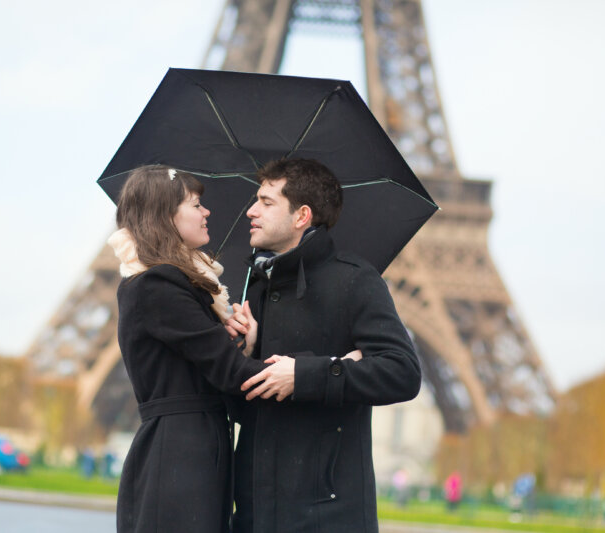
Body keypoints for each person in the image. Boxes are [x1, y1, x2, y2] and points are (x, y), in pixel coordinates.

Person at [226, 158, 422, 533]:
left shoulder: (356, 281)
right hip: (253, 512)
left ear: (302, 216)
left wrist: (305, 375)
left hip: (327, 517)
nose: (251, 210)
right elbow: (244, 408)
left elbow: (404, 373)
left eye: (266, 202)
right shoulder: (257, 286)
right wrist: (245, 354)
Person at [109, 165, 293, 533]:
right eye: (195, 204)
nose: (206, 212)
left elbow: (203, 365)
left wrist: (241, 340)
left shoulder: (171, 284)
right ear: (165, 215)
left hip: (189, 447)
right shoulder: (159, 284)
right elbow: (231, 374)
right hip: (182, 455)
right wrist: (322, 371)